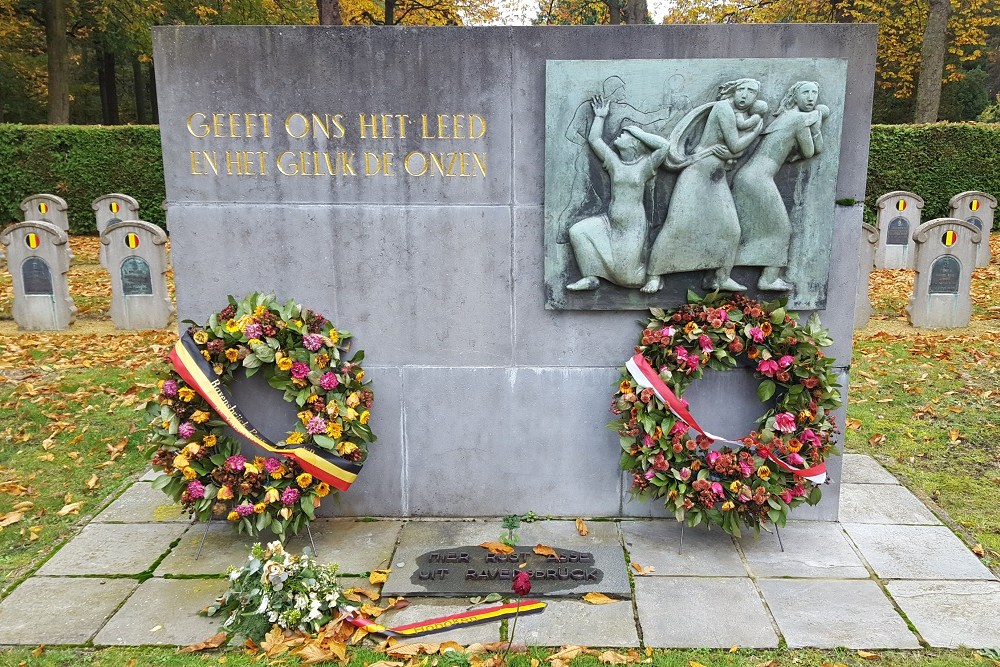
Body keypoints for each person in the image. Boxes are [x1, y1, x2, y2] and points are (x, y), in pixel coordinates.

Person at [641, 78, 765, 294]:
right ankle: (654, 276)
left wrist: (732, 152)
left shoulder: (740, 116)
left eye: (752, 92)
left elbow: (735, 151)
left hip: (715, 176)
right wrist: (756, 131)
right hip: (697, 173)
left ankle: (719, 277)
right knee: (679, 225)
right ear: (733, 91)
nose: (745, 95)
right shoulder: (723, 108)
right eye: (742, 89)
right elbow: (735, 145)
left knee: (731, 228)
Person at [731, 81, 830, 291]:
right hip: (758, 179)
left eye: (814, 93)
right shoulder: (797, 119)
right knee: (781, 228)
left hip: (748, 177)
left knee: (747, 230)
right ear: (795, 96)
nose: (811, 98)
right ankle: (767, 279)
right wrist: (817, 124)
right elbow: (811, 151)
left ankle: (720, 272)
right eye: (805, 93)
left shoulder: (787, 116)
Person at [566, 95, 671, 291]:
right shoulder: (614, 163)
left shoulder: (644, 165)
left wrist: (638, 132)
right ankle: (590, 277)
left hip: (632, 227)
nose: (618, 137)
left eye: (624, 135)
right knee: (578, 231)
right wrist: (600, 117)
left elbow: (664, 146)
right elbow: (594, 139)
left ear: (634, 143)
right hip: (610, 222)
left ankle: (655, 277)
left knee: (629, 279)